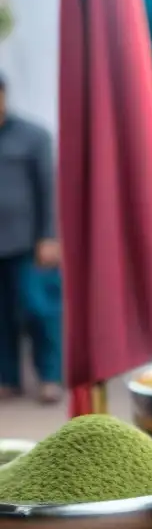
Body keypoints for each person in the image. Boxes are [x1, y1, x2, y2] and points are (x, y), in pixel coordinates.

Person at [0, 75, 62, 402]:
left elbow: (47, 190)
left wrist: (49, 236)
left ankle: (50, 376)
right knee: (1, 315)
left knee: (38, 308)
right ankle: (7, 378)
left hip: (27, 242)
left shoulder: (32, 136)